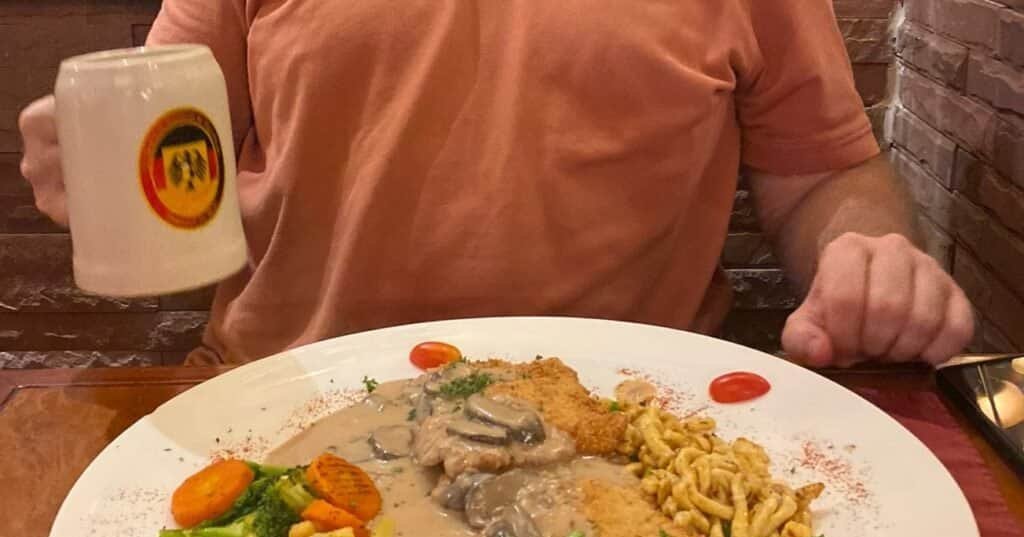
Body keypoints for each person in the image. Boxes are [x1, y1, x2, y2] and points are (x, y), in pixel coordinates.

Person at [19, 0, 974, 367]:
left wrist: (867, 253)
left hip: (630, 432)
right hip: (279, 405)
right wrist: (95, 165)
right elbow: (173, 144)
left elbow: (822, 173)